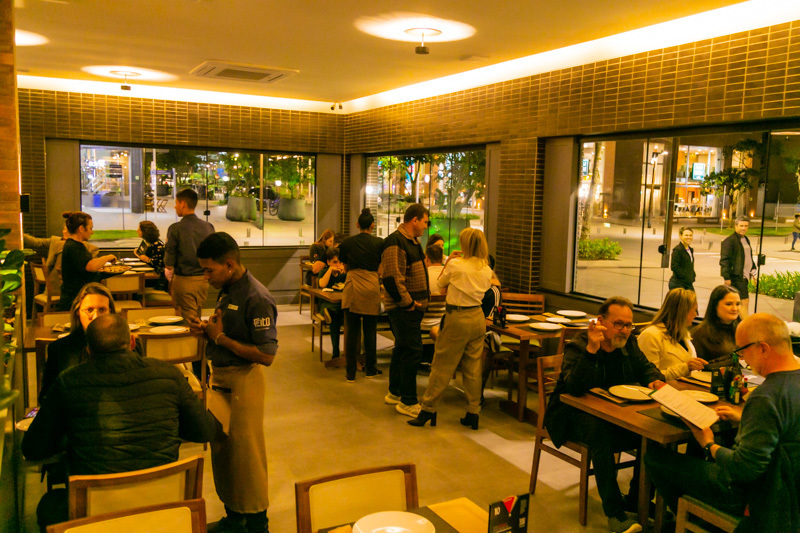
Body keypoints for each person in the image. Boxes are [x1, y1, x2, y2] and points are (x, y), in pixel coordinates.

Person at [22, 314, 218, 532]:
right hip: (162, 505)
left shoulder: (68, 382)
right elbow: (205, 431)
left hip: (98, 513)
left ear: (88, 351)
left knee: (48, 505)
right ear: (133, 342)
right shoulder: (168, 374)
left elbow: (32, 448)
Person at [645, 314, 800, 529]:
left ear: (763, 348)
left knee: (655, 458)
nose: (742, 359)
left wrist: (709, 444)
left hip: (756, 497)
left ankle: (698, 524)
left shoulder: (766, 396)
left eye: (742, 350)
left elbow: (744, 469)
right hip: (790, 490)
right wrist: (745, 417)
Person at [544, 296, 665, 533]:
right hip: (571, 414)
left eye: (628, 325)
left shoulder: (629, 343)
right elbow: (573, 388)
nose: (624, 330)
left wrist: (655, 380)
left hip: (614, 412)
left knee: (653, 434)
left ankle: (637, 499)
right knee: (601, 434)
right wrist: (591, 350)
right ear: (600, 321)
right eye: (618, 324)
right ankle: (615, 513)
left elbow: (645, 367)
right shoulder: (579, 345)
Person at [190, 232, 277, 533]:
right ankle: (234, 516)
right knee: (224, 451)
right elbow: (228, 330)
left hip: (244, 382)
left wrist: (220, 338)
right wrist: (208, 330)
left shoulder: (256, 297)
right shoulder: (227, 287)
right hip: (222, 378)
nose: (206, 277)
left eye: (209, 270)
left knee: (246, 455)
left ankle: (257, 523)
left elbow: (267, 355)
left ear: (229, 264)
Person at [408, 228, 493, 429]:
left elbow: (440, 283)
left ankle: (428, 408)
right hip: (478, 317)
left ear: (465, 244)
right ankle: (473, 412)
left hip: (457, 316)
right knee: (473, 367)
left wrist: (448, 264)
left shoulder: (456, 264)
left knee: (442, 364)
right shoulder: (486, 268)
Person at [382, 203, 430, 417]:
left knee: (402, 348)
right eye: (425, 222)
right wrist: (409, 303)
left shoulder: (413, 241)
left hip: (411, 309)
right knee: (413, 351)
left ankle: (395, 392)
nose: (426, 227)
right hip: (403, 309)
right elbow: (392, 278)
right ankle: (408, 400)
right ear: (415, 220)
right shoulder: (395, 241)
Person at [39, 282, 116, 402]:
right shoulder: (60, 349)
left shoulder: (122, 347)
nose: (96, 317)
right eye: (89, 310)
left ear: (110, 312)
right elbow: (46, 397)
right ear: (77, 312)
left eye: (102, 310)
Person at [338, 208, 384, 381]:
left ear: (357, 225)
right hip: (372, 285)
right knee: (370, 331)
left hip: (353, 286)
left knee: (352, 332)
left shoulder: (348, 243)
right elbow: (381, 267)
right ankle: (371, 369)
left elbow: (345, 265)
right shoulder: (379, 243)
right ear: (373, 225)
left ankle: (350, 372)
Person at [164, 188, 214, 322]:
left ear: (183, 204)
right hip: (203, 281)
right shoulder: (208, 227)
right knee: (197, 314)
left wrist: (168, 265)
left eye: (176, 203)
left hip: (184, 281)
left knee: (187, 320)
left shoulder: (175, 229)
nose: (174, 206)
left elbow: (169, 262)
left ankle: (192, 336)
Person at [637, 288, 706, 381]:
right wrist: (686, 368)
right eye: (694, 310)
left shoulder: (683, 334)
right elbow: (649, 377)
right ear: (682, 312)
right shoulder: (650, 336)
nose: (696, 315)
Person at [57, 211, 118, 311]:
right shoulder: (74, 246)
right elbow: (90, 266)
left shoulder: (74, 245)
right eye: (90, 228)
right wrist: (107, 257)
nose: (92, 232)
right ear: (81, 229)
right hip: (75, 302)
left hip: (77, 298)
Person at [24, 224, 99, 297]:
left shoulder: (86, 246)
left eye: (68, 230)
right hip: (58, 287)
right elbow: (36, 242)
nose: (65, 231)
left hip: (76, 285)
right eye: (64, 229)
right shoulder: (55, 241)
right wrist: (20, 233)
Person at [690, 284, 741, 363]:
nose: (735, 308)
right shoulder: (699, 334)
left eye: (737, 304)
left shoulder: (741, 329)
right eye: (728, 304)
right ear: (715, 305)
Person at [720, 216, 756, 319]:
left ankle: (739, 323)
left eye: (746, 226)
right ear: (736, 226)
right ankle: (745, 325)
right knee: (744, 302)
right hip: (737, 277)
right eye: (741, 226)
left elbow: (749, 258)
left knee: (739, 303)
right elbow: (724, 260)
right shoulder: (729, 241)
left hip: (744, 277)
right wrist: (726, 277)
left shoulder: (745, 239)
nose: (744, 228)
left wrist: (753, 273)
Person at [316, 247, 346, 361]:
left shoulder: (343, 274)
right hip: (327, 305)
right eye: (335, 262)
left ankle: (351, 352)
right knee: (334, 318)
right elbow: (322, 284)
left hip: (342, 305)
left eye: (340, 262)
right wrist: (330, 270)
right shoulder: (324, 272)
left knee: (351, 316)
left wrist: (345, 270)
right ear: (328, 262)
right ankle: (335, 352)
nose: (338, 265)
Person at [135, 220, 167, 290]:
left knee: (133, 284)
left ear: (145, 232)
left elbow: (160, 265)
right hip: (150, 277)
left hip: (156, 281)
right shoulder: (148, 242)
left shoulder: (158, 245)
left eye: (139, 230)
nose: (137, 231)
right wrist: (138, 254)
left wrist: (148, 260)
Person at [669, 227, 696, 291]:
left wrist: (692, 275)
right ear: (680, 236)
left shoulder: (690, 250)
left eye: (690, 235)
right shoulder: (678, 250)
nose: (689, 237)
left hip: (687, 283)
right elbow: (674, 266)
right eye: (686, 235)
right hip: (678, 283)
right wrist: (685, 276)